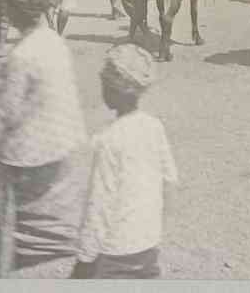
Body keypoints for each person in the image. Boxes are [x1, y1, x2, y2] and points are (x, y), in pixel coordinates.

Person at [0, 0, 87, 278]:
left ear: (15, 13)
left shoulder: (21, 54)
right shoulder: (54, 40)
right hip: (65, 142)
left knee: (1, 223)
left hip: (29, 151)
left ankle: (0, 274)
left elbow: (9, 112)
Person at [71, 45, 178, 279]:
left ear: (113, 90)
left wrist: (84, 259)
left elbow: (99, 203)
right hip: (147, 245)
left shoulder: (108, 139)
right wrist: (152, 226)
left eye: (104, 84)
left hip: (113, 253)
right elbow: (169, 179)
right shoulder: (153, 127)